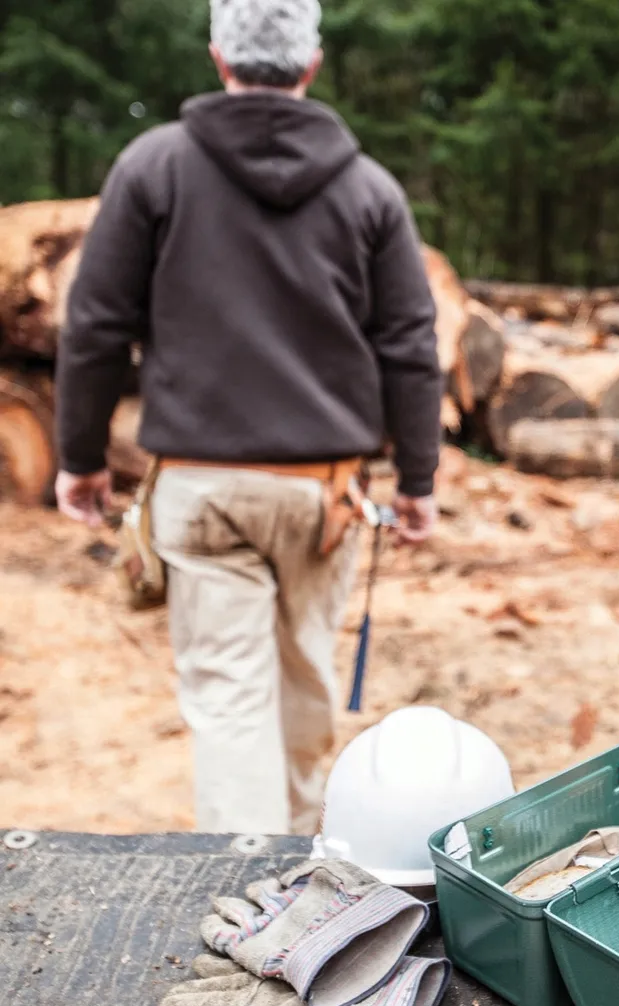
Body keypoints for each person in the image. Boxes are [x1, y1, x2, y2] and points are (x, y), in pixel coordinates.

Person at [53, 0, 443, 837]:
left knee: (230, 697)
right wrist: (418, 480)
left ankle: (245, 889)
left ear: (217, 55)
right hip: (325, 495)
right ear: (312, 64)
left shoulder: (153, 166)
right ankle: (311, 882)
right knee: (306, 678)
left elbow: (94, 325)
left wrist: (79, 457)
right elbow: (410, 342)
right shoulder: (370, 187)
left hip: (203, 490)